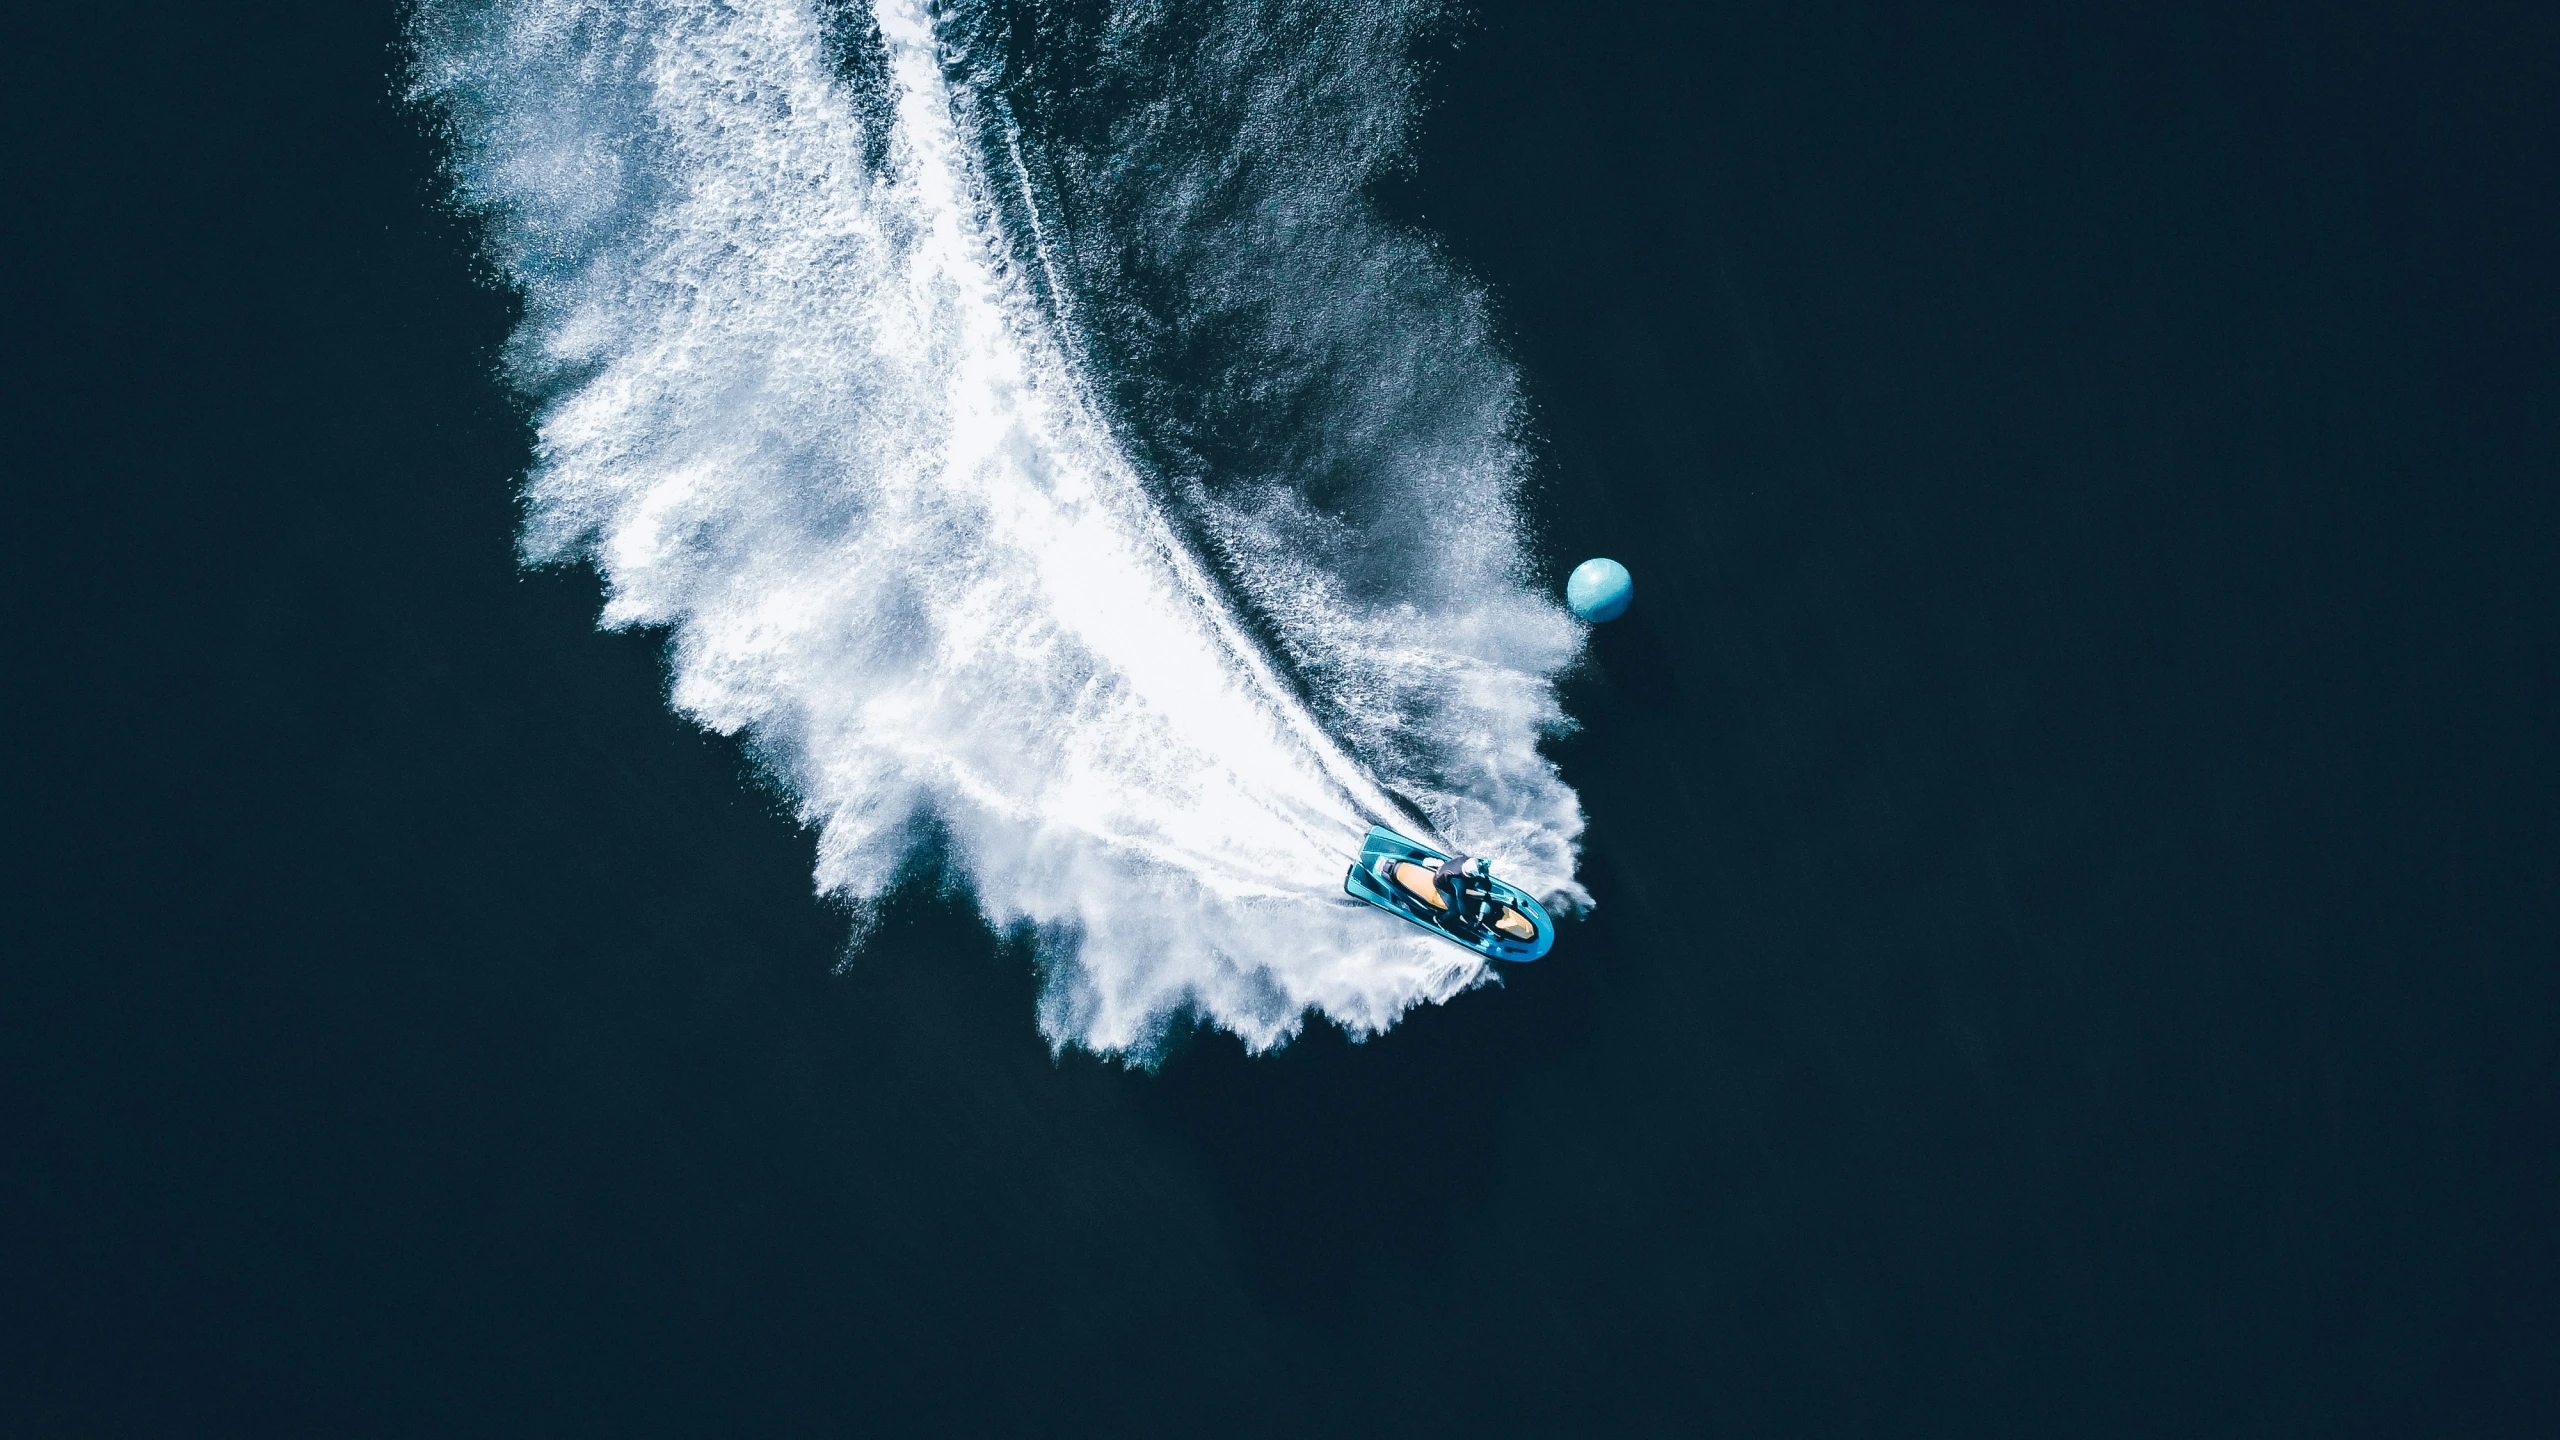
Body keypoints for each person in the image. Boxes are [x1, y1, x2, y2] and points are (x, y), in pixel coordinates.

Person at [1433, 854, 1495, 931]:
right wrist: (1471, 923)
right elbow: (1461, 903)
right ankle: (1440, 920)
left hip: (1450, 872)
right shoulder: (1459, 882)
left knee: (1476, 882)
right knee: (1455, 911)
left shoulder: (1470, 861)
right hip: (1443, 885)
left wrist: (1487, 885)